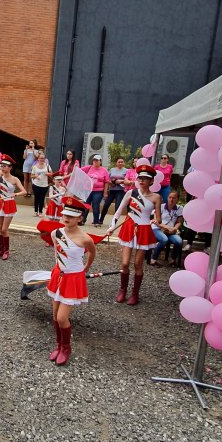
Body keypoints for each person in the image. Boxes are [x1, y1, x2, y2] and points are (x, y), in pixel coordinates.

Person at [46, 196, 96, 366]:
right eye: (64, 214)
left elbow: (92, 253)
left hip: (73, 279)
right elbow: (57, 255)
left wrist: (86, 268)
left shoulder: (86, 239)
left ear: (80, 218)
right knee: (54, 315)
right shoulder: (55, 233)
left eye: (71, 216)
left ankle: (66, 348)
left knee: (61, 318)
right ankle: (59, 345)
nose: (66, 218)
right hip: (58, 276)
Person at [105, 165, 161, 305]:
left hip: (144, 229)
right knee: (124, 263)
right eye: (140, 178)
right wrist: (112, 226)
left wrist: (156, 220)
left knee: (137, 264)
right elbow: (118, 212)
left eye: (145, 179)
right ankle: (122, 290)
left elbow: (159, 218)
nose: (142, 180)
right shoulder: (131, 193)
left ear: (151, 181)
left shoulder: (156, 197)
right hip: (129, 227)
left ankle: (135, 294)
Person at [0, 154, 27, 260]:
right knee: (0, 229)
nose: (3, 167)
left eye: (5, 165)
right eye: (2, 165)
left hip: (9, 204)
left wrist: (16, 194)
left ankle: (6, 251)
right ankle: (1, 250)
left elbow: (24, 191)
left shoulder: (15, 179)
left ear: (10, 168)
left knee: (4, 229)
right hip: (0, 203)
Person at [151, 190, 184, 266]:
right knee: (164, 239)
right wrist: (167, 227)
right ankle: (153, 259)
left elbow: (179, 221)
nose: (171, 200)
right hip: (157, 228)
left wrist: (175, 228)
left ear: (177, 199)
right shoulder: (161, 206)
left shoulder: (180, 208)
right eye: (170, 197)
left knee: (179, 241)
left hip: (171, 231)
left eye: (174, 198)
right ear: (167, 198)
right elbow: (156, 220)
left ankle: (172, 260)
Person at [80, 154, 109, 226]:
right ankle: (82, 220)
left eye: (97, 160)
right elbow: (79, 171)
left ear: (100, 161)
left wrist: (105, 192)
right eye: (94, 160)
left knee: (95, 205)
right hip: (87, 190)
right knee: (85, 205)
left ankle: (96, 221)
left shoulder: (104, 170)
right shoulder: (89, 168)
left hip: (98, 191)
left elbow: (106, 182)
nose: (95, 162)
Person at [30, 151, 51, 216]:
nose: (42, 159)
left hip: (44, 185)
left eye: (43, 158)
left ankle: (41, 212)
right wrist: (36, 176)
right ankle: (35, 211)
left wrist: (48, 174)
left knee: (42, 198)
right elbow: (31, 175)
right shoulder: (35, 166)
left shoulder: (47, 166)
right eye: (41, 158)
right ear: (38, 159)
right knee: (36, 198)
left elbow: (51, 173)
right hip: (36, 184)